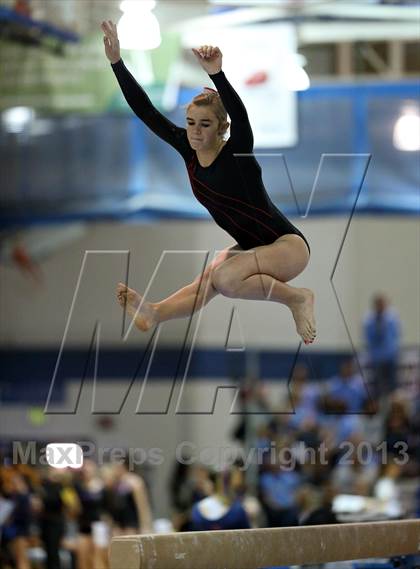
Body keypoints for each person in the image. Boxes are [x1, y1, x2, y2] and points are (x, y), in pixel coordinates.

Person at [101, 20, 316, 345]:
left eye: (205, 124)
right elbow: (146, 111)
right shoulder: (187, 147)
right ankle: (154, 313)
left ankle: (297, 298)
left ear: (221, 128)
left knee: (225, 277)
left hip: (287, 247)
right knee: (210, 280)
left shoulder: (237, 154)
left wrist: (217, 73)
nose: (195, 131)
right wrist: (117, 63)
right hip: (252, 248)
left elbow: (242, 119)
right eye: (190, 123)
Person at [362, 293, 401, 398]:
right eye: (378, 303)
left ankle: (392, 404)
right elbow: (368, 338)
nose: (381, 305)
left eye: (382, 303)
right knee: (378, 385)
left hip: (390, 355)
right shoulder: (369, 319)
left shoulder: (392, 317)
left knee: (392, 384)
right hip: (376, 357)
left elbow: (397, 334)